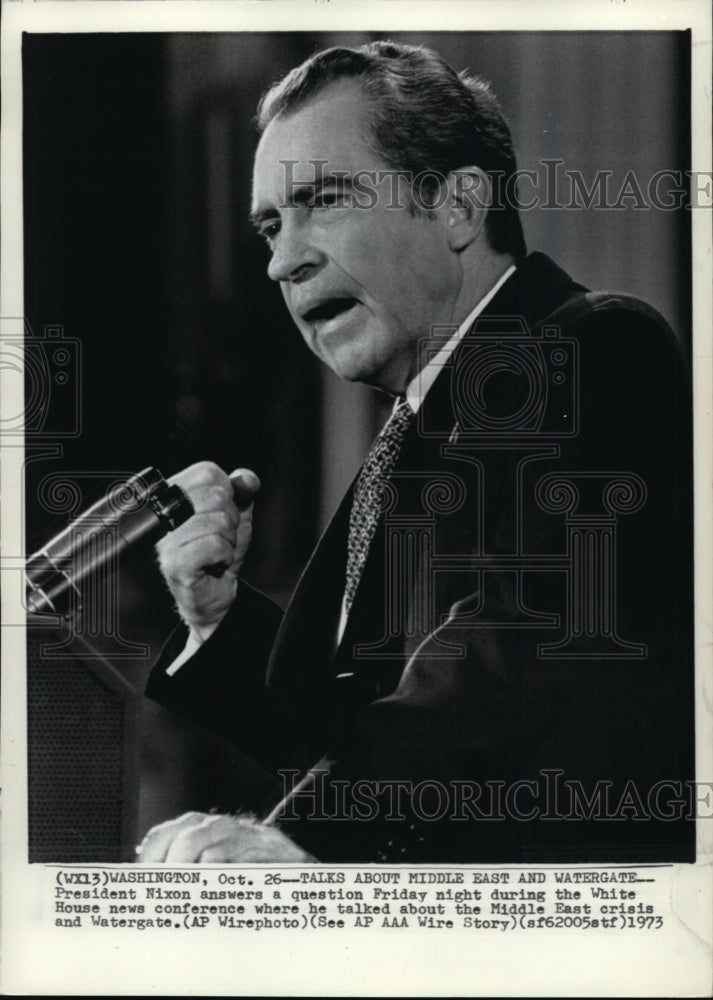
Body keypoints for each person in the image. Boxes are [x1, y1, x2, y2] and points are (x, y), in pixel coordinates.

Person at [137, 42, 693, 864]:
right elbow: (349, 718)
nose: (282, 261)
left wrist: (299, 839)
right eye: (268, 225)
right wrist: (218, 619)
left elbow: (517, 656)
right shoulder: (418, 418)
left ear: (458, 205)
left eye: (321, 200)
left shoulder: (592, 349)